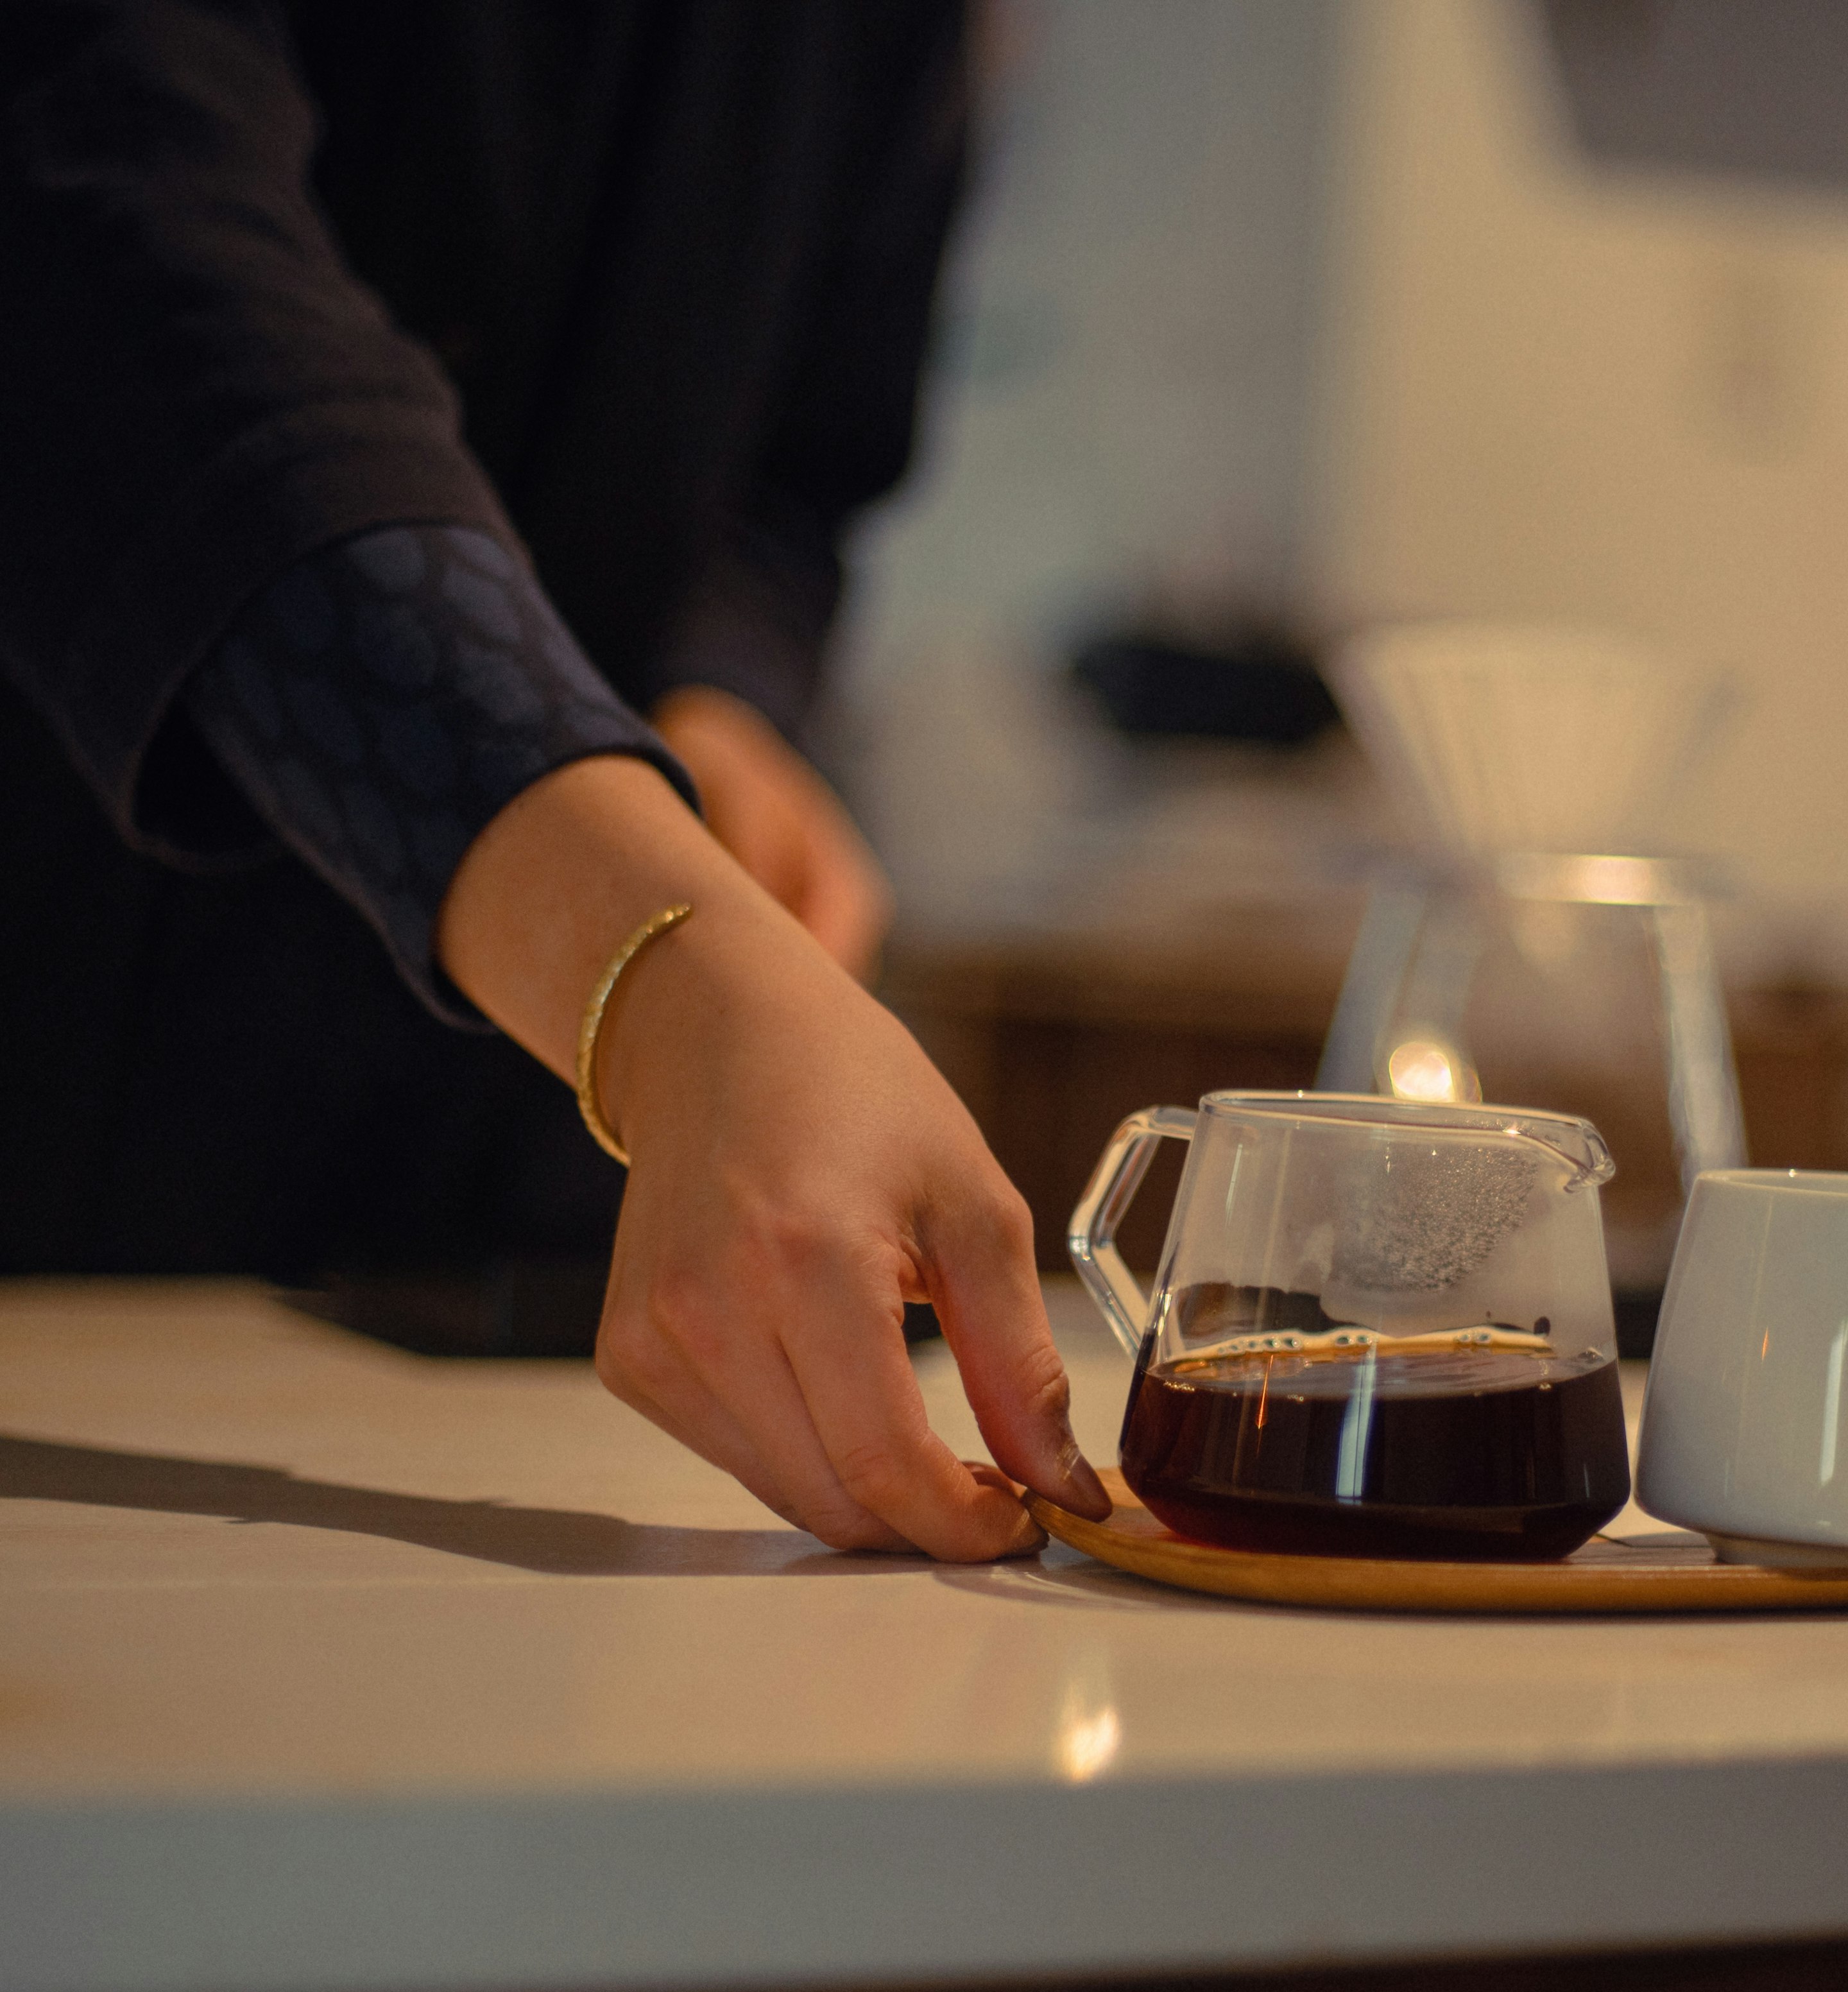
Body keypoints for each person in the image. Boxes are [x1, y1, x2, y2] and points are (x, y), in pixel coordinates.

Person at [0, 0, 1112, 1558]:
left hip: (469, 1280)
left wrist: (713, 708)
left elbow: (800, 456)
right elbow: (115, 259)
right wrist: (668, 962)